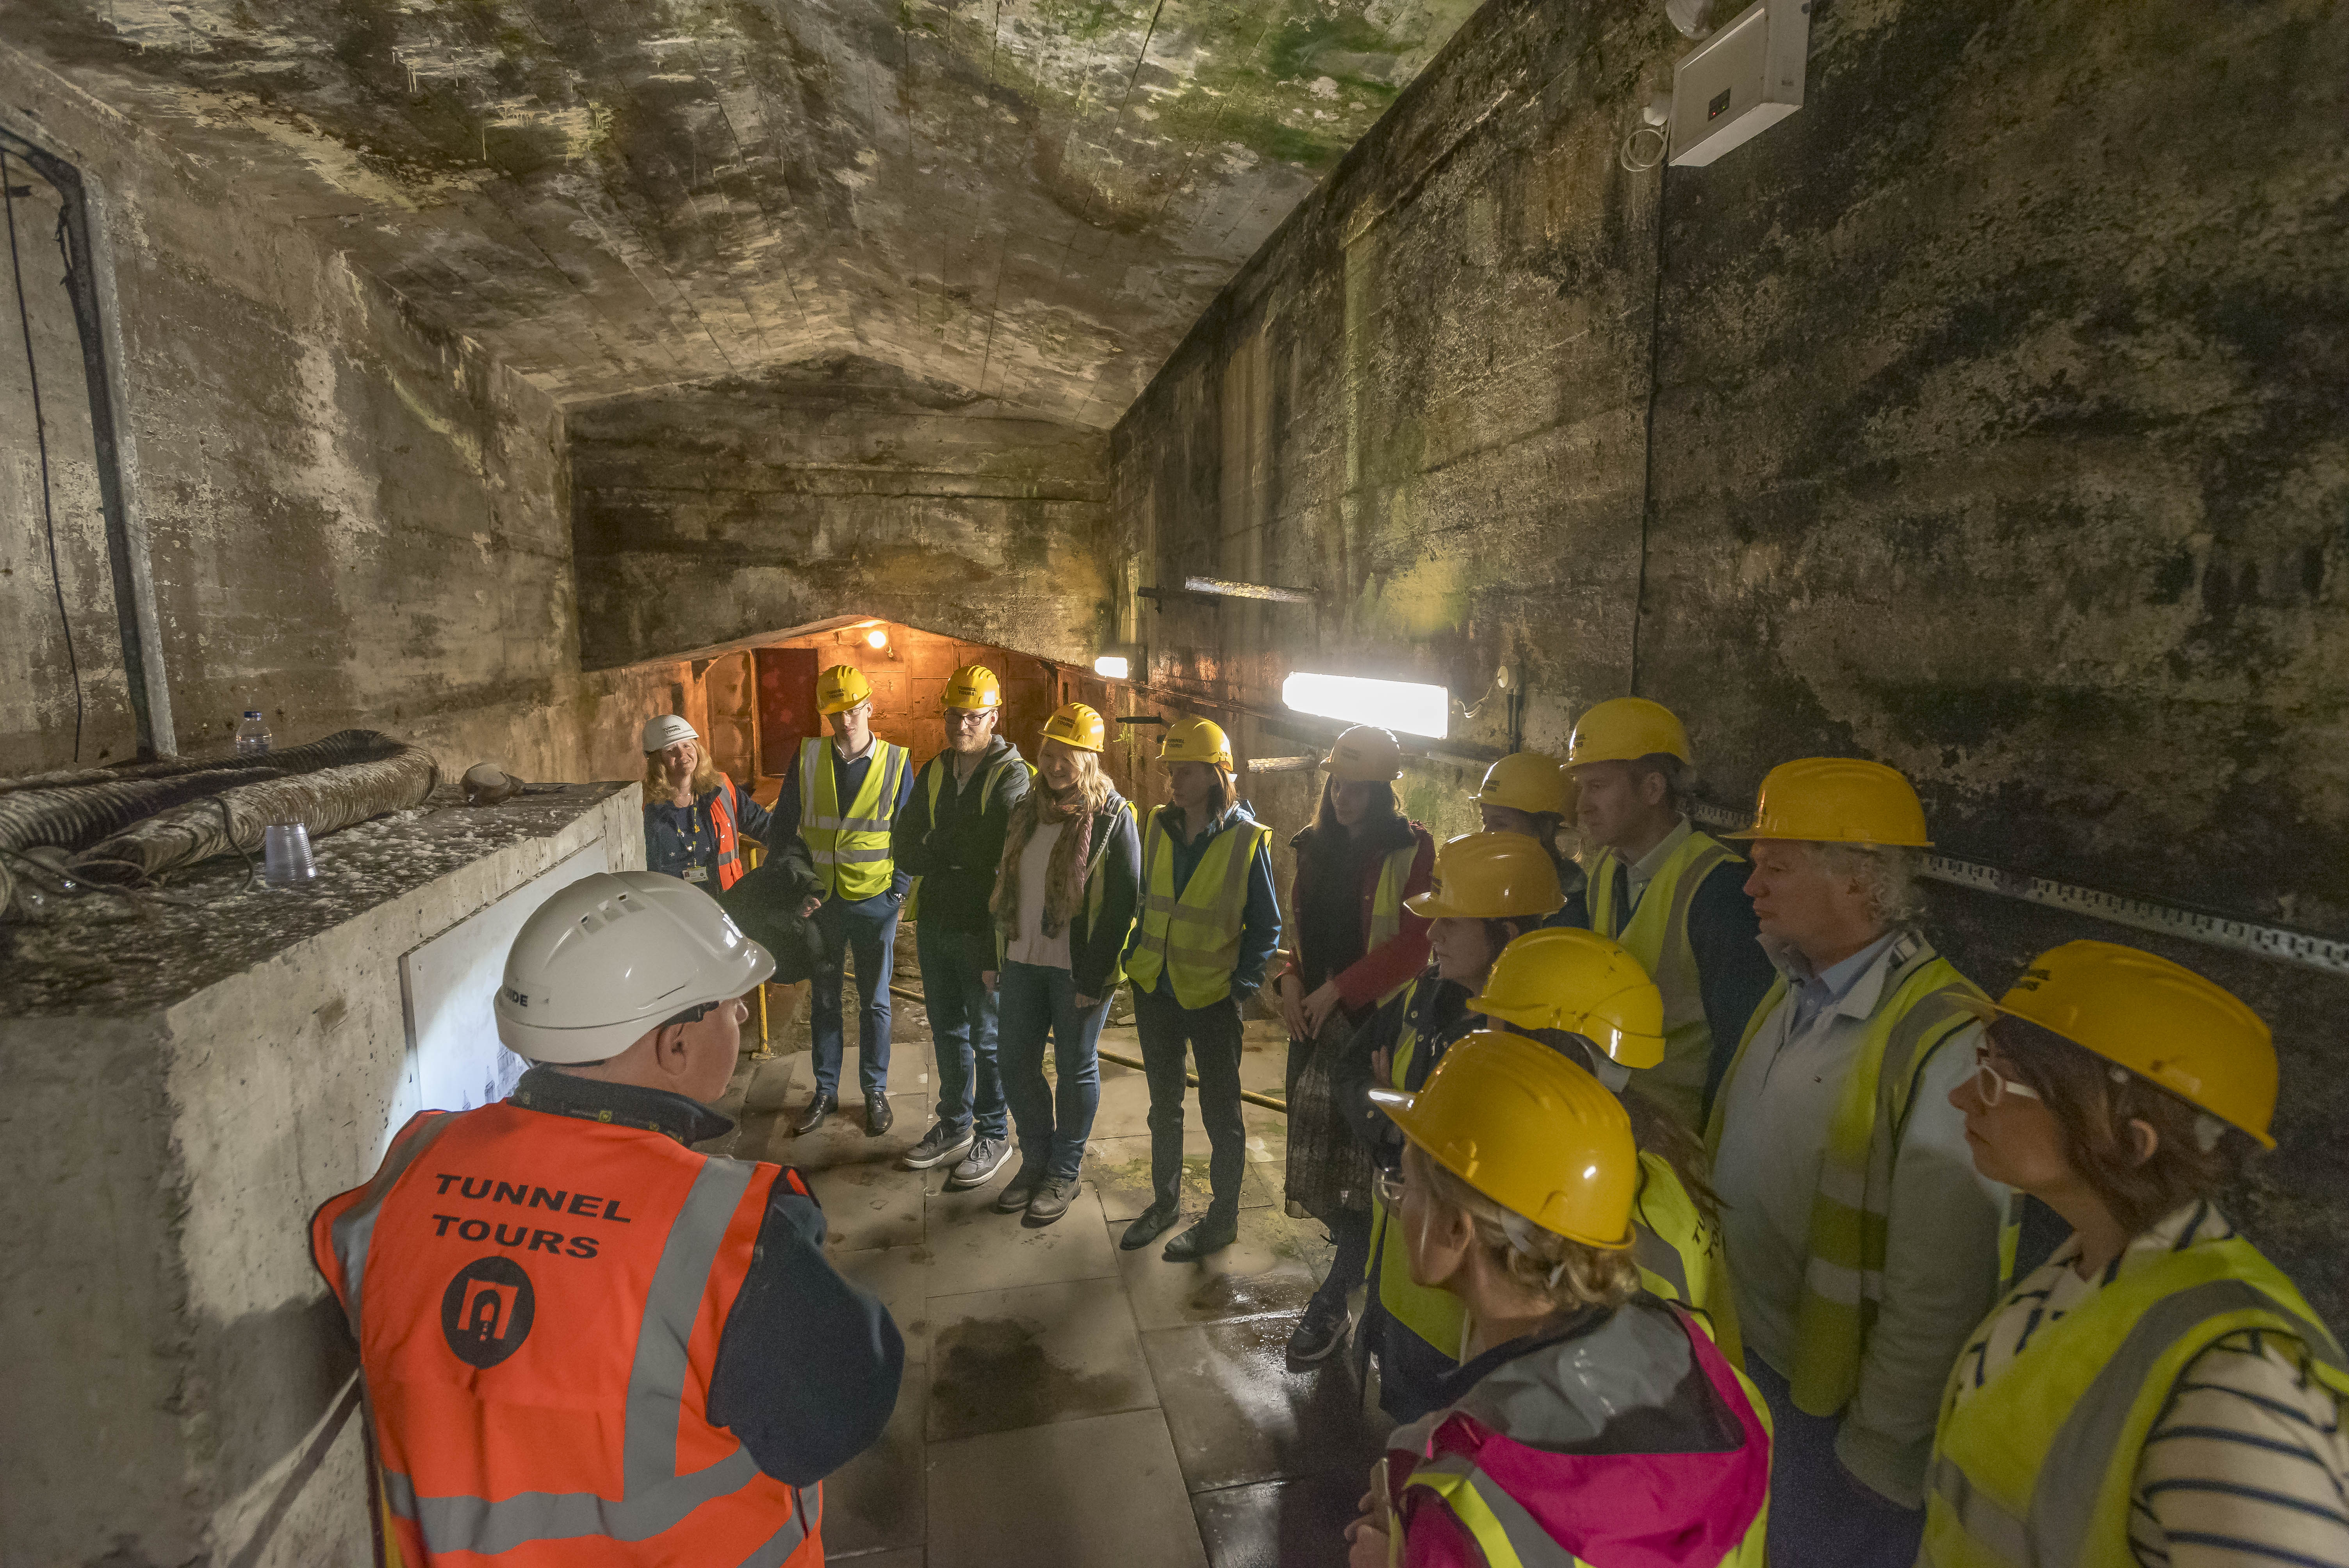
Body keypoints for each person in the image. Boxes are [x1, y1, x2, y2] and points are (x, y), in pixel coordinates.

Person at [310, 871, 902, 1564]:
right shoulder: (724, 1232)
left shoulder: (412, 1164)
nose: (743, 1015)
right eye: (727, 1004)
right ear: (673, 1047)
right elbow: (839, 1411)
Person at [1924, 940, 2349, 1568]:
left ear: (2130, 1139)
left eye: (2002, 1077)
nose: (1963, 1097)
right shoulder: (2086, 1273)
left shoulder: (2237, 1388)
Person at [1705, 757, 2007, 1565]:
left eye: (1776, 865)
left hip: (1829, 1413)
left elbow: (1939, 1289)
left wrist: (1879, 1452)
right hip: (1752, 1360)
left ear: (1857, 880)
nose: (1750, 886)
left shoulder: (1944, 1040)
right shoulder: (1795, 985)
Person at [1343, 1030, 1772, 1568]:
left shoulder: (1470, 1510)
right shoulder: (1701, 1361)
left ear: (1454, 1229)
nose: (1397, 1201)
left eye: (1402, 1184)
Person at [1346, 830, 1563, 1422]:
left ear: (1508, 940)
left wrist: (1403, 1123)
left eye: (1452, 924)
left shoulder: (1528, 1054)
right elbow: (1358, 1078)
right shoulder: (1428, 997)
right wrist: (1396, 1125)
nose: (1432, 935)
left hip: (1460, 1325)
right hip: (1400, 1275)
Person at [1469, 925, 1745, 1368]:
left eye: (1494, 1031)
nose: (1482, 1047)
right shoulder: (1655, 1154)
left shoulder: (1595, 1218)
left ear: (1543, 1053)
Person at [1273, 723, 1435, 1368]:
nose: (1343, 796)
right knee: (1323, 1170)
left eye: (1357, 788)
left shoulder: (1411, 849)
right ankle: (1354, 1273)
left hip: (1375, 1029)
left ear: (1383, 790)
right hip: (1314, 1025)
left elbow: (1416, 943)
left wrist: (1339, 989)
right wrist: (1289, 981)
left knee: (1368, 1171)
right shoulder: (1312, 847)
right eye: (1336, 784)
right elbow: (1298, 935)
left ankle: (1337, 1298)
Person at [1565, 697, 1777, 1125]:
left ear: (1653, 789)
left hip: (1677, 1140)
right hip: (1612, 1121)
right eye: (1581, 786)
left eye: (1598, 786)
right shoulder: (1607, 868)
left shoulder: (1720, 889)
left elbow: (1740, 1047)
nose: (1582, 805)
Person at [1119, 714, 1282, 1262]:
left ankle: (1222, 1219)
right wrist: (1133, 953)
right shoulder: (1158, 826)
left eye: (1186, 771)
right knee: (1163, 1106)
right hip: (1155, 989)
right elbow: (1146, 900)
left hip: (1212, 997)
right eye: (1172, 770)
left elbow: (1267, 924)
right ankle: (1163, 1205)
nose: (1174, 780)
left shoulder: (1245, 840)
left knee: (1222, 1113)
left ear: (1217, 775)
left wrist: (1243, 984)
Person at [984, 703, 1141, 1226]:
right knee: (1014, 1063)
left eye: (1067, 756)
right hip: (1024, 958)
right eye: (1049, 753)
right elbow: (1006, 884)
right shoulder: (1027, 810)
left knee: (1076, 1067)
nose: (1054, 765)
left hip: (1078, 969)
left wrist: (1095, 976)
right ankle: (1037, 1159)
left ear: (1090, 759)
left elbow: (1124, 902)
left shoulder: (1114, 817)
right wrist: (996, 953)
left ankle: (1064, 1171)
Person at [895, 663, 1030, 1192]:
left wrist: (938, 846)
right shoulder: (934, 770)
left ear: (994, 717)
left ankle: (994, 1134)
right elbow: (903, 845)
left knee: (988, 1036)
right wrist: (948, 849)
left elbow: (990, 849)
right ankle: (955, 1125)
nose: (962, 725)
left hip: (983, 927)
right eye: (955, 714)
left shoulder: (1012, 774)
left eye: (974, 716)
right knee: (947, 1030)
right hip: (936, 921)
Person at [775, 664, 917, 1138]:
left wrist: (898, 890)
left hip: (875, 900)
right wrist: (795, 888)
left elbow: (909, 834)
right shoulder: (809, 756)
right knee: (826, 999)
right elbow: (784, 827)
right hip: (823, 903)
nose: (846, 721)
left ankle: (874, 1091)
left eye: (853, 710)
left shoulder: (897, 761)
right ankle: (825, 1090)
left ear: (869, 707)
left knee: (875, 1002)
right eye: (836, 713)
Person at [639, 713, 772, 891]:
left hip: (726, 900)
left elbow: (765, 826)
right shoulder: (646, 805)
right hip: (674, 905)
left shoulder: (721, 789)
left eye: (687, 745)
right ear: (657, 760)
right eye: (671, 750)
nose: (683, 754)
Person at [1467, 750, 1586, 923]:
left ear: (1544, 829)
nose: (1487, 833)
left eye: (1501, 823)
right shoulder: (1502, 884)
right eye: (1485, 820)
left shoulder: (1569, 911)